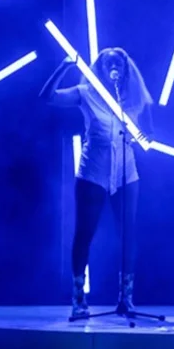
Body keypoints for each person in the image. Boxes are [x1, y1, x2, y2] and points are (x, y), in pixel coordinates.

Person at [39, 47, 154, 318]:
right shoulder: (86, 93)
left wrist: (144, 138)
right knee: (84, 233)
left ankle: (126, 299)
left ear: (126, 69)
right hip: (93, 171)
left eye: (119, 64)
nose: (114, 67)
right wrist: (64, 67)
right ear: (99, 67)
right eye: (108, 63)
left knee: (128, 236)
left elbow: (149, 135)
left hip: (127, 173)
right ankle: (78, 299)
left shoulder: (136, 98)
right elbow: (48, 97)